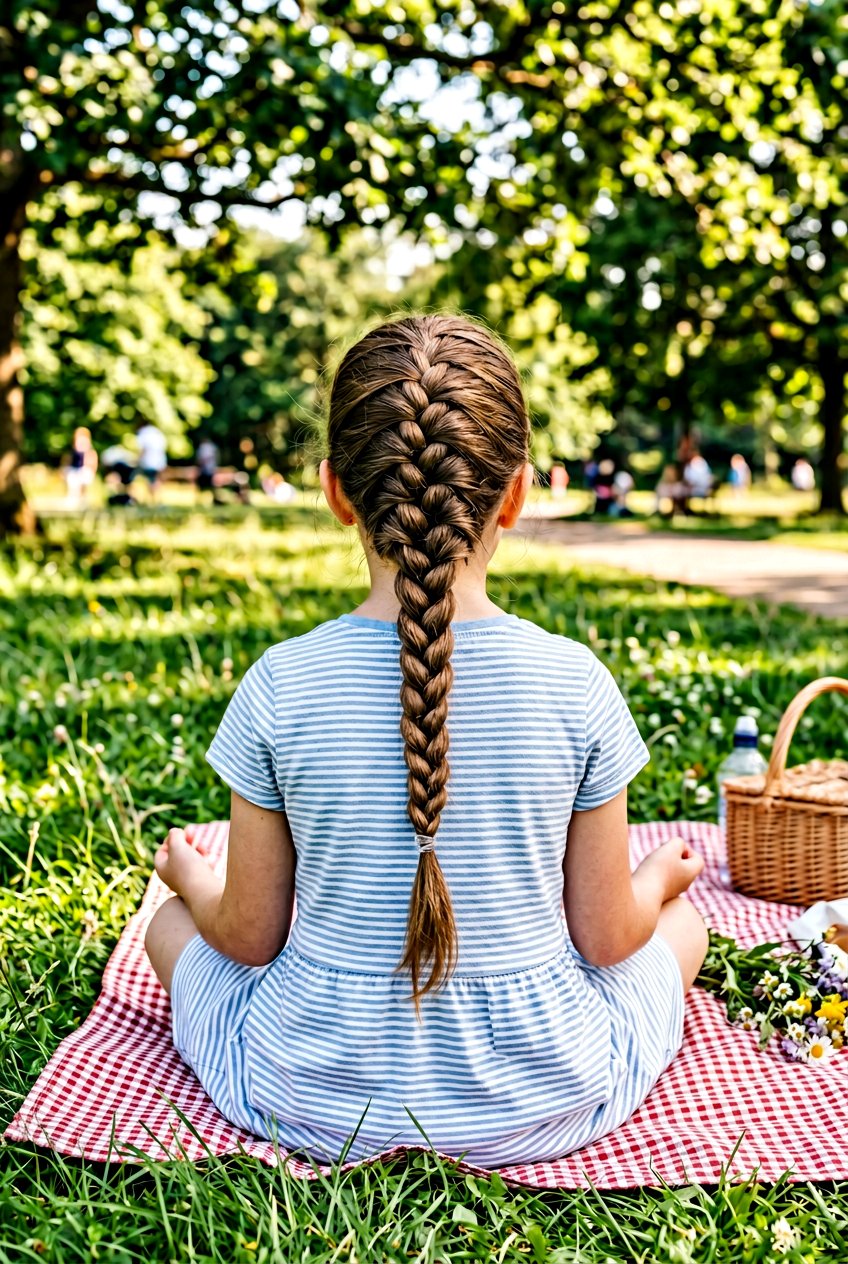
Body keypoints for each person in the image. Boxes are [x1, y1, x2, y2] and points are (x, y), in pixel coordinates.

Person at [145, 315, 707, 1168]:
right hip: (546, 1090)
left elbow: (248, 936)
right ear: (516, 495)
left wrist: (189, 876)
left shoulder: (280, 682)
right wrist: (658, 879)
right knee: (686, 930)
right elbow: (606, 938)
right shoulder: (575, 681)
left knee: (165, 931)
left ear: (336, 491)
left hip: (312, 1089)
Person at [64, 427, 98, 506]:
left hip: (84, 470)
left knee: (83, 483)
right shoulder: (72, 452)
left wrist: (92, 469)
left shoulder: (90, 452)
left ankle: (82, 502)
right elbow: (67, 460)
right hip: (74, 469)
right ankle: (73, 502)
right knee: (73, 485)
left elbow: (93, 461)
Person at [134, 420, 168, 500]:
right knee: (156, 480)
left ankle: (152, 499)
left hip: (149, 461)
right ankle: (157, 499)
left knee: (150, 480)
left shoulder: (143, 433)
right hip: (160, 461)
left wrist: (137, 459)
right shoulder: (157, 432)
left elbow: (143, 449)